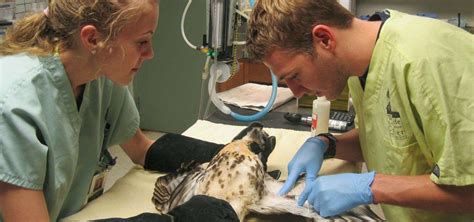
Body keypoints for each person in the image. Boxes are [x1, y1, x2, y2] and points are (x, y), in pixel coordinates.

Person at [0, 1, 238, 221]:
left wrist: (231, 154)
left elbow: (143, 149)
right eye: (142, 41)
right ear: (93, 39)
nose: (150, 54)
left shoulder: (97, 72)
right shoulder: (13, 105)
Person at [246, 0, 474, 221]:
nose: (295, 92)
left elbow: (468, 188)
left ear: (324, 39)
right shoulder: (357, 68)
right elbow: (389, 143)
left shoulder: (429, 61)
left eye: (294, 75)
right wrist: (327, 145)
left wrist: (371, 187)